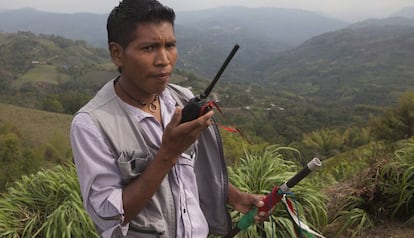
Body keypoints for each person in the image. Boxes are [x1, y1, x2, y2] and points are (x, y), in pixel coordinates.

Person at [70, 0, 268, 237]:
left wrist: (234, 197)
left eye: (170, 45)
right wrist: (168, 153)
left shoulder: (181, 99)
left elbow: (191, 169)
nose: (164, 59)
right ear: (117, 54)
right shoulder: (92, 124)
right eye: (148, 48)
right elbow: (109, 215)